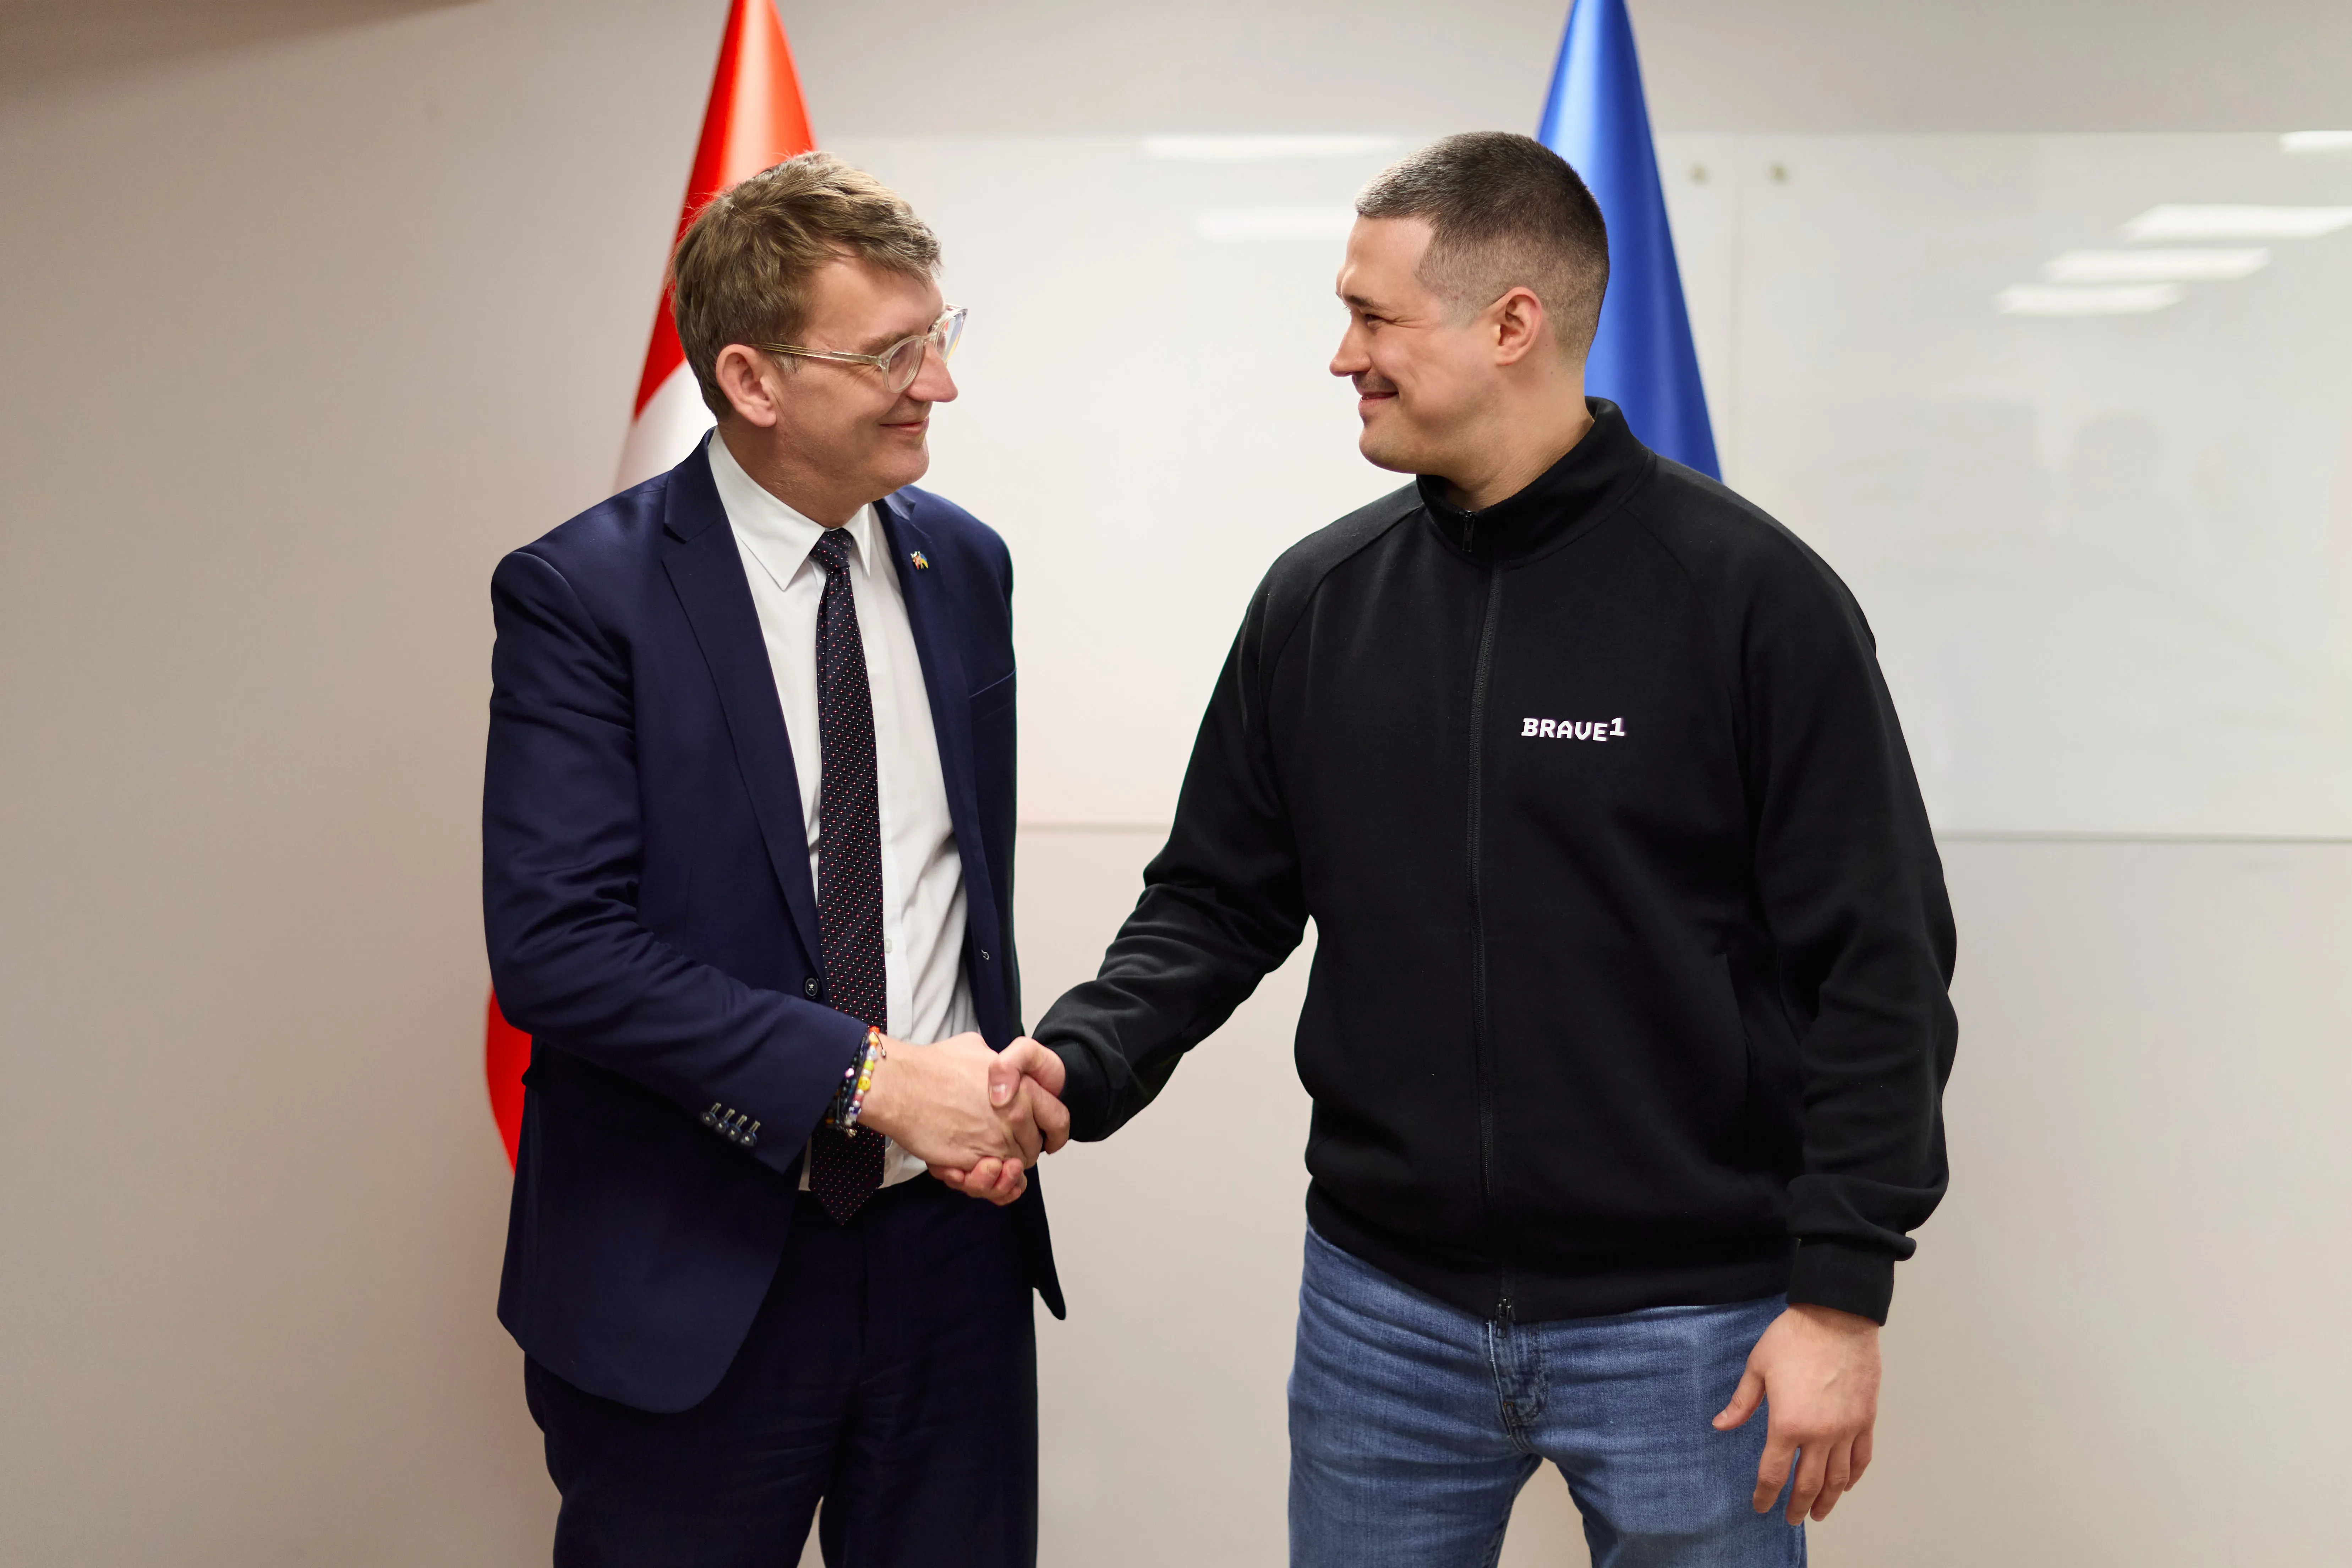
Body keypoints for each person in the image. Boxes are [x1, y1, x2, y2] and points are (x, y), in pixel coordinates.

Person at [1013, 132, 1957, 1567]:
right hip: (1383, 1317)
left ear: (1513, 322)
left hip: (1691, 1331)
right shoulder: (1321, 601)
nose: (1343, 356)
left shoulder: (1753, 600)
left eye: (1373, 316)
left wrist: (1840, 1297)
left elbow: (1880, 969)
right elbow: (1214, 900)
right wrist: (1077, 1063)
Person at [482, 152, 1070, 1568]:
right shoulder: (583, 595)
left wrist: (986, 1080)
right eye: (891, 354)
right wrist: (868, 1078)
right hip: (694, 1264)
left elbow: (943, 891)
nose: (938, 386)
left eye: (941, 339)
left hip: (950, 1266)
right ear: (751, 381)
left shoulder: (964, 568)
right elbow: (557, 948)